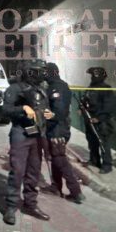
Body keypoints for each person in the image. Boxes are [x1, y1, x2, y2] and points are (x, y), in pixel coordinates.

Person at [1, 62, 54, 224]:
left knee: (34, 171)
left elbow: (45, 108)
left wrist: (49, 114)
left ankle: (30, 204)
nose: (41, 75)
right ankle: (11, 207)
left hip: (37, 134)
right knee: (17, 170)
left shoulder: (41, 89)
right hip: (21, 133)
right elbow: (5, 110)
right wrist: (23, 108)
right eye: (37, 72)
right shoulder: (15, 89)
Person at [42, 62, 84, 203]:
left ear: (52, 72)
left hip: (57, 129)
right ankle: (56, 187)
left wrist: (51, 116)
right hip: (57, 127)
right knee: (56, 159)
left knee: (60, 159)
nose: (44, 75)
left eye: (46, 72)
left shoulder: (57, 87)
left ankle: (76, 192)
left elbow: (59, 110)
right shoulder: (58, 85)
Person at [81, 66, 116, 173]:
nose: (92, 77)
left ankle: (107, 165)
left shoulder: (106, 89)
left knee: (103, 143)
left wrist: (99, 118)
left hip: (102, 121)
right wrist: (81, 108)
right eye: (91, 75)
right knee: (92, 142)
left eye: (93, 75)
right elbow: (85, 100)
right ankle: (94, 160)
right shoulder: (90, 87)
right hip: (89, 119)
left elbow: (109, 106)